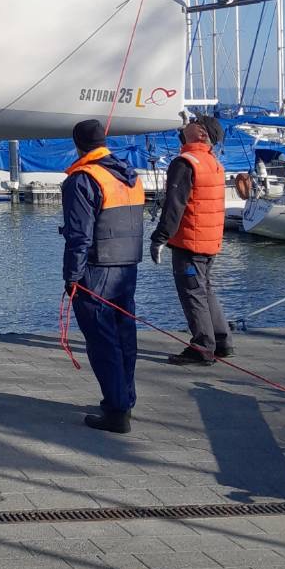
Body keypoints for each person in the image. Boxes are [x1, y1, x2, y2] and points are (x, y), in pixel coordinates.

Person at [61, 117, 146, 434]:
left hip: (96, 270)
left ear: (78, 145)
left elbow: (79, 236)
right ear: (104, 141)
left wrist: (72, 276)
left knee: (102, 341)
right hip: (127, 267)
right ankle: (125, 397)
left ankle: (116, 409)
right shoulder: (129, 175)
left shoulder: (83, 179)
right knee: (125, 336)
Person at [150, 114, 230, 365]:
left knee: (192, 292)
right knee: (205, 288)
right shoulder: (211, 162)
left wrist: (159, 237)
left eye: (194, 121)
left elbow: (175, 205)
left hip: (190, 240)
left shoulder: (186, 163)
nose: (188, 121)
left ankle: (203, 347)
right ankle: (222, 340)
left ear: (202, 133)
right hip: (209, 238)